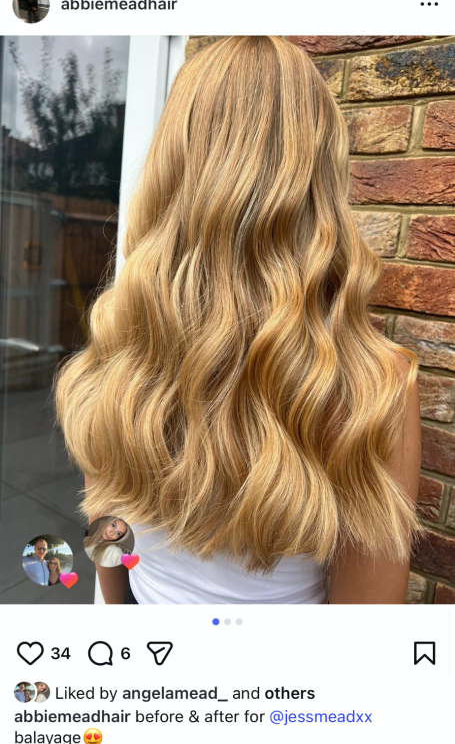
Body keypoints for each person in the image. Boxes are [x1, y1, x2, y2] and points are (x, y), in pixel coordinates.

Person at [55, 36, 422, 606]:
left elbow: (107, 532)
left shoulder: (121, 342)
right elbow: (364, 625)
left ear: (171, 167)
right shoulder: (374, 386)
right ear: (318, 180)